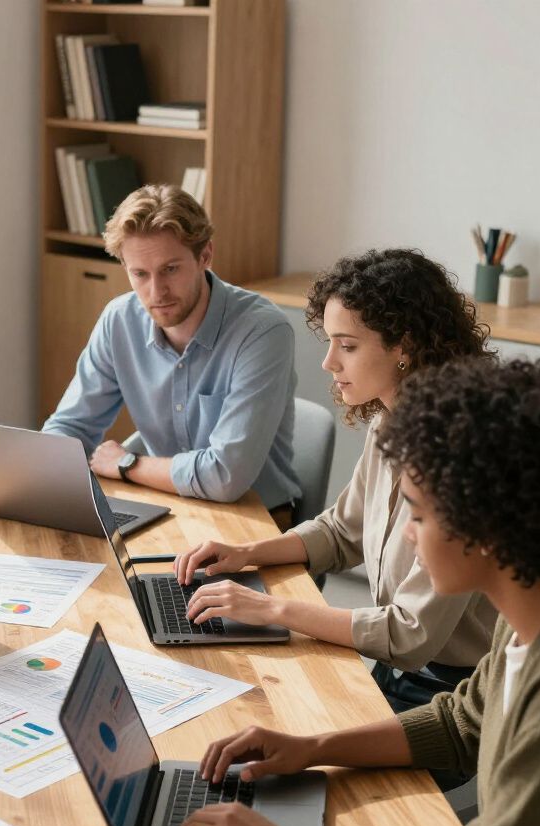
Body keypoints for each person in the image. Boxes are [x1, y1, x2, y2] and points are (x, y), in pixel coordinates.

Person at [175, 357, 540, 826]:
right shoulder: (534, 608)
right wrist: (313, 749)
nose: (408, 540)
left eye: (416, 513)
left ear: (487, 527)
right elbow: (461, 719)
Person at [174, 249, 498, 713]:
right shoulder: (390, 422)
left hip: (453, 693)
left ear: (404, 346)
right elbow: (342, 531)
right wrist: (249, 553)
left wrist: (272, 610)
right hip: (391, 664)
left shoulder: (463, 459)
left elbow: (409, 635)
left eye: (347, 346)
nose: (328, 362)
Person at [42, 184, 301, 529]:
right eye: (140, 274)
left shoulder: (263, 332)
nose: (156, 292)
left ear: (205, 255)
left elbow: (226, 477)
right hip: (165, 507)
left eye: (170, 269)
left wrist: (127, 464)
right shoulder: (119, 320)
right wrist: (34, 473)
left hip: (256, 522)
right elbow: (71, 427)